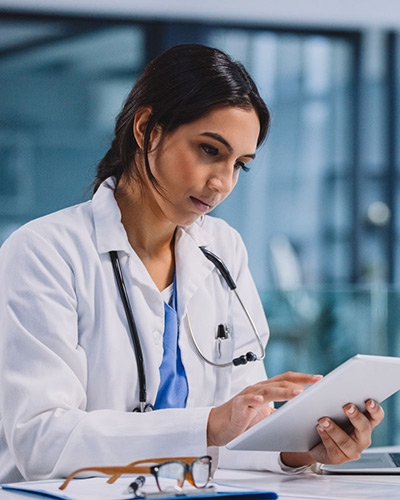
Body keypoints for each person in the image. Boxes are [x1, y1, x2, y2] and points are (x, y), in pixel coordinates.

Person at [0, 44, 383, 484]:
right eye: (208, 150)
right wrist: (208, 425)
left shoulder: (223, 249)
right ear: (146, 129)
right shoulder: (45, 252)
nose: (221, 183)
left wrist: (300, 449)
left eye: (240, 165)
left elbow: (238, 431)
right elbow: (41, 443)